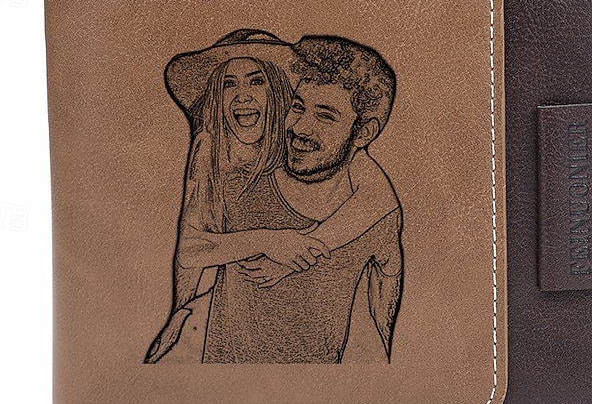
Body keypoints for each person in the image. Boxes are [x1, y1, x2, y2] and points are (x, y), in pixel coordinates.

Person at [145, 30, 401, 364]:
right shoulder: (212, 149)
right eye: (228, 84)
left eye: (257, 81)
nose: (243, 97)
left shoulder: (333, 159)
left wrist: (301, 248)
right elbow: (191, 245)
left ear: (278, 90)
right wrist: (180, 310)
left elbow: (381, 205)